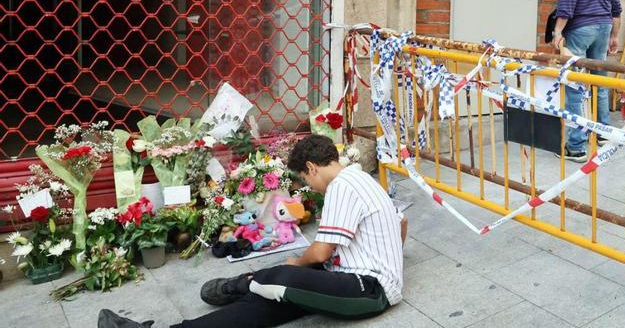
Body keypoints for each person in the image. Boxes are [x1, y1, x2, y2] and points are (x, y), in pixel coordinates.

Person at [98, 135, 405, 328]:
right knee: (264, 307)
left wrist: (298, 264)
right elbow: (401, 223)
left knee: (281, 274)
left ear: (311, 167)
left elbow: (322, 250)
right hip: (350, 279)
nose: (310, 186)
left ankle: (241, 284)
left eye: (305, 179)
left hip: (368, 290)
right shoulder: (362, 179)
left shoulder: (342, 186)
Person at [551, 0, 621, 162]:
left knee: (574, 84)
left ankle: (576, 145)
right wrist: (614, 35)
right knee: (599, 80)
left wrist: (558, 31)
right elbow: (615, 4)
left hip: (581, 27)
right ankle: (603, 133)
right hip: (603, 27)